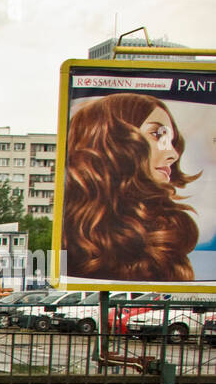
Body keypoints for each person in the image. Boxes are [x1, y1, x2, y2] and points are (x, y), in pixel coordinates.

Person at [64, 93, 200, 282]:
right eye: (157, 134)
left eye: (171, 140)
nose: (173, 154)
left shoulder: (164, 236)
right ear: (112, 142)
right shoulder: (75, 245)